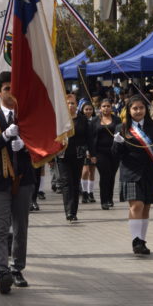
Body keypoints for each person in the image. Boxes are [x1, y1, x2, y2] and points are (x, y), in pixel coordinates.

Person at [0, 72, 36, 294]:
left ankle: (17, 268)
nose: (10, 94)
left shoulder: (26, 116)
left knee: (21, 226)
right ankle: (2, 271)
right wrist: (4, 137)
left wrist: (25, 144)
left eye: (13, 89)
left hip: (24, 178)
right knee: (2, 226)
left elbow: (40, 145)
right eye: (6, 89)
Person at [112, 95, 153, 255]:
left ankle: (142, 242)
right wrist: (117, 143)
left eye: (141, 108)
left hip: (149, 171)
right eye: (134, 108)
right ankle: (136, 240)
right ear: (129, 110)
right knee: (136, 205)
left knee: (146, 207)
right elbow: (116, 153)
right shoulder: (122, 128)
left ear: (146, 109)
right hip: (130, 172)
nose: (138, 111)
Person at [57, 93, 91, 222]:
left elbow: (88, 137)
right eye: (68, 103)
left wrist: (91, 152)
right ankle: (69, 211)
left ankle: (74, 211)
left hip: (78, 154)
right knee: (67, 182)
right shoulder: (60, 119)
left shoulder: (82, 120)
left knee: (75, 183)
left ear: (76, 105)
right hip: (63, 155)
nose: (70, 106)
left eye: (72, 103)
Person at [89, 98, 121, 210]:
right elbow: (90, 139)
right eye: (104, 106)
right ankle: (104, 201)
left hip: (114, 152)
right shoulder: (94, 121)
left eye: (108, 106)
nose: (106, 108)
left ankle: (110, 199)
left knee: (112, 176)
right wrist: (91, 154)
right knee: (104, 175)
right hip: (100, 152)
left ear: (111, 108)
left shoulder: (117, 120)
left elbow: (121, 134)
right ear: (100, 108)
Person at [79, 100, 97, 204]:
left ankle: (91, 193)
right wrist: (86, 149)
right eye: (86, 109)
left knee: (92, 171)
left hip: (94, 149)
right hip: (84, 149)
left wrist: (93, 151)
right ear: (82, 110)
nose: (88, 111)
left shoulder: (96, 120)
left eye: (90, 109)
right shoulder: (80, 120)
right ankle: (84, 192)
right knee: (85, 171)